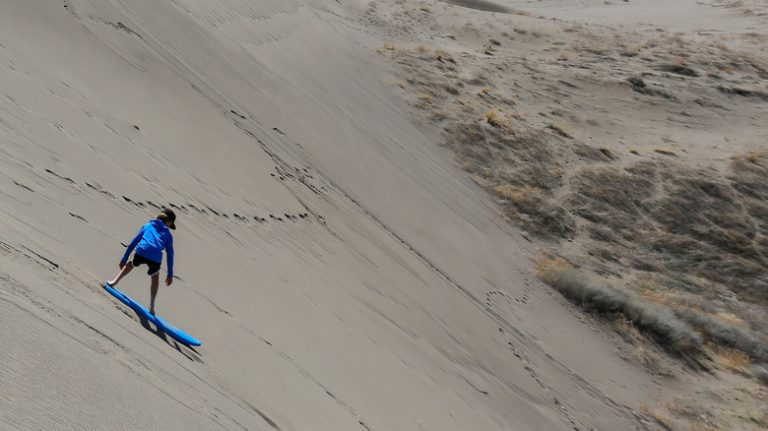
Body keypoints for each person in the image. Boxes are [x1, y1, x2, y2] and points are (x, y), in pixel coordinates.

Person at [106, 208, 176, 315]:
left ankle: (114, 282)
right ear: (169, 222)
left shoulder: (148, 226)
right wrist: (170, 274)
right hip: (155, 257)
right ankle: (152, 306)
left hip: (142, 250)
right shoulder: (168, 235)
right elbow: (170, 254)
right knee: (155, 277)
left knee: (131, 263)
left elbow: (134, 242)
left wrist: (124, 258)